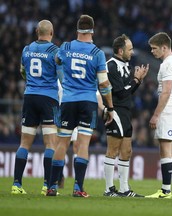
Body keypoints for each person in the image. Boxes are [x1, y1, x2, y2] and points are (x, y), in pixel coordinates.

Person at [46, 14, 113, 197]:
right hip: (88, 102)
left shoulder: (66, 47)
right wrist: (110, 107)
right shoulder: (97, 54)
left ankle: (52, 187)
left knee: (62, 142)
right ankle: (78, 188)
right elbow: (104, 84)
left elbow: (57, 61)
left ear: (77, 29)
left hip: (68, 100)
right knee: (83, 144)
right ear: (92, 30)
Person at [11, 20, 59, 195]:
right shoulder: (55, 51)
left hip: (30, 96)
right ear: (51, 32)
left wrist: (32, 81)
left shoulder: (27, 49)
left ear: (37, 31)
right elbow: (60, 76)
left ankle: (16, 184)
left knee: (25, 143)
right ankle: (47, 185)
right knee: (50, 144)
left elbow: (23, 71)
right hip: (48, 98)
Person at [103, 34, 149, 197]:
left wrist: (138, 80)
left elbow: (128, 93)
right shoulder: (111, 66)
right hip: (114, 111)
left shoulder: (126, 66)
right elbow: (120, 93)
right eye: (129, 49)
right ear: (120, 50)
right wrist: (135, 80)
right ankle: (108, 189)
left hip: (126, 112)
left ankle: (124, 189)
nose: (132, 52)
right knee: (113, 149)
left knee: (127, 150)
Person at [145, 32, 172, 199]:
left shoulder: (167, 64)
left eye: (154, 48)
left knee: (165, 150)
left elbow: (166, 91)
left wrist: (156, 115)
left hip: (169, 109)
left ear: (164, 47)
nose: (152, 51)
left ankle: (165, 190)